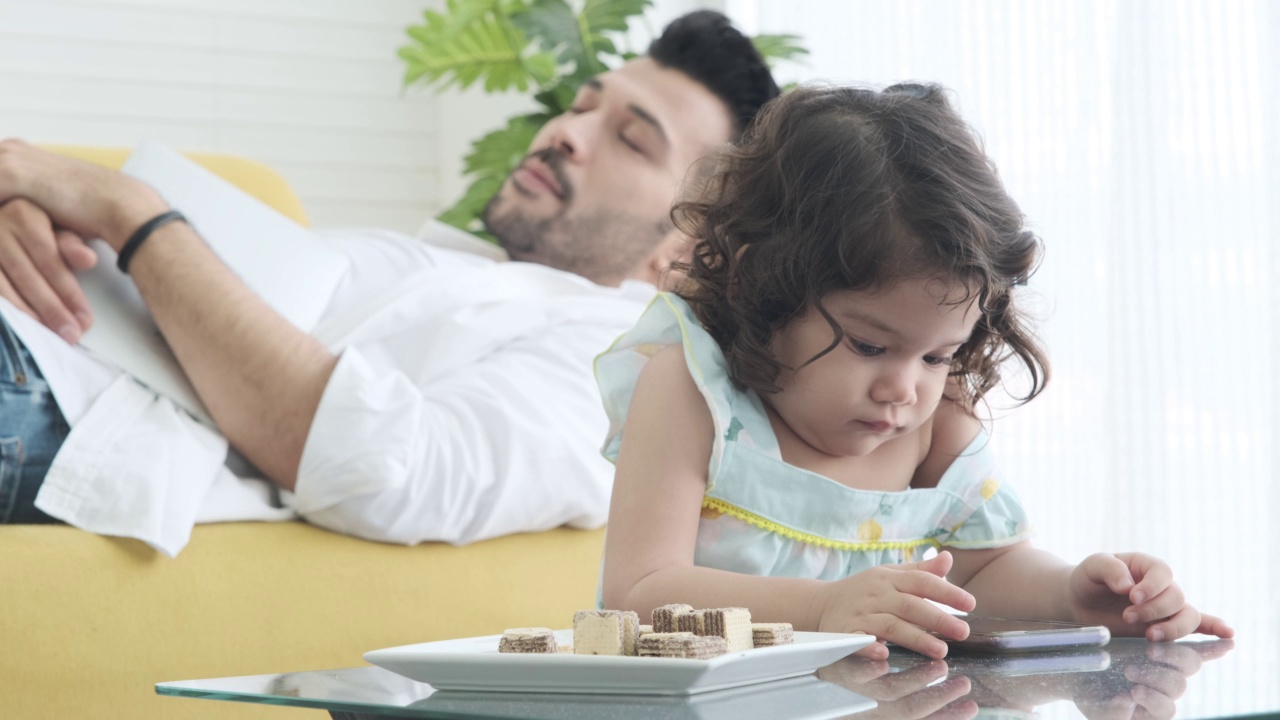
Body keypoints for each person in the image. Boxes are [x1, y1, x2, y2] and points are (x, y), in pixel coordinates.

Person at [0, 11, 780, 553]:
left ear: (687, 252)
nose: (566, 134)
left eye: (631, 140)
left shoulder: (616, 370)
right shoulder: (461, 271)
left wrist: (132, 217)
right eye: (580, 107)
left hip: (50, 394)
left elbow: (389, 469)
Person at [594, 84, 1233, 660]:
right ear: (764, 288)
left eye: (937, 355)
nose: (904, 389)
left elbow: (986, 569)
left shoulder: (935, 422)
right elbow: (640, 589)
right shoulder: (694, 393)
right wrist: (823, 609)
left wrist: (1073, 594)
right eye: (870, 346)